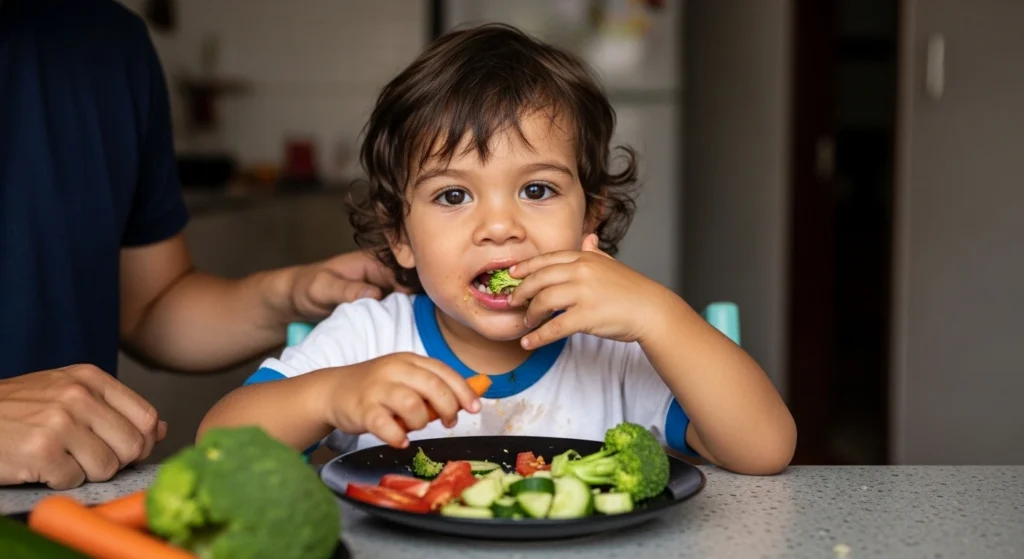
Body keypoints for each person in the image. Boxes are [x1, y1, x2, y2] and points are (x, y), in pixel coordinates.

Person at [200, 23, 797, 476]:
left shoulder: (617, 350)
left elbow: (766, 450)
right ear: (400, 239)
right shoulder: (368, 338)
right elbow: (218, 451)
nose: (499, 226)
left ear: (590, 216)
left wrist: (661, 317)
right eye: (454, 195)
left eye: (536, 190)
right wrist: (329, 395)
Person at [0, 0, 401, 489]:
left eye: (527, 191)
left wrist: (288, 294)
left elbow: (150, 306)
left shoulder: (108, 43)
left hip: (68, 503)